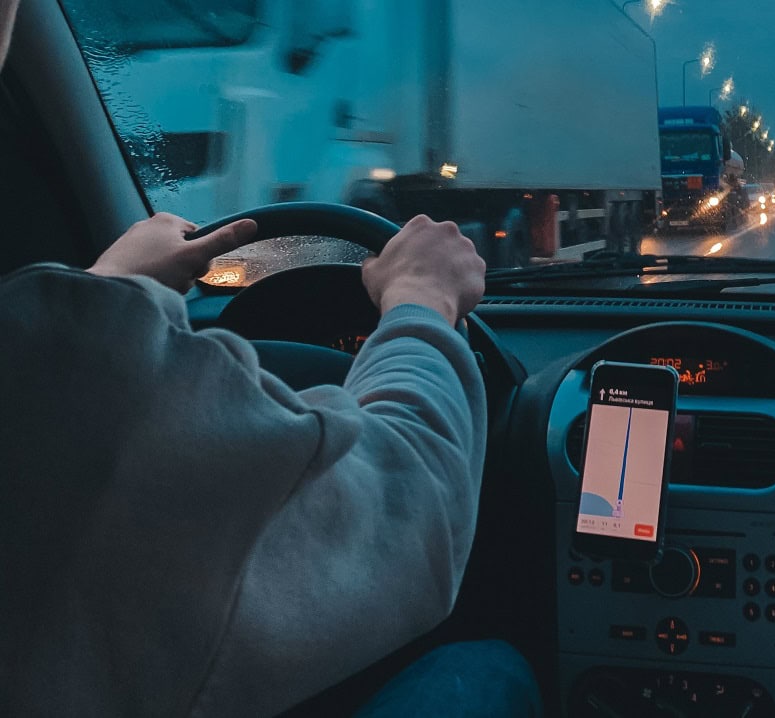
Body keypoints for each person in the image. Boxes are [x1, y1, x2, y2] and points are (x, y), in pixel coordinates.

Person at [0, 1, 540, 715]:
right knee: (491, 668)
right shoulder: (85, 392)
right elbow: (410, 516)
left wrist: (106, 293)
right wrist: (421, 300)